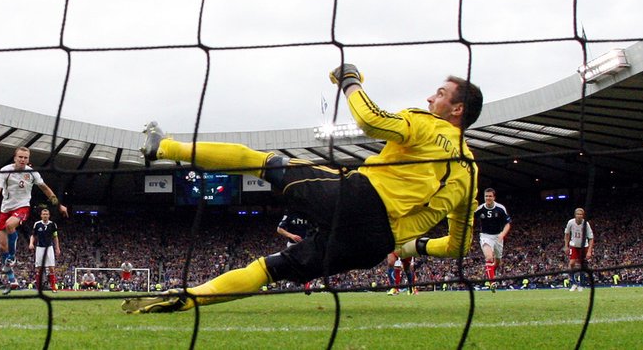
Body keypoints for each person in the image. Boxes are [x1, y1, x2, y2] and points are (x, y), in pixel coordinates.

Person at [122, 65, 482, 314]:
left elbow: (371, 121)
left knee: (261, 162)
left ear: (457, 109)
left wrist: (350, 79)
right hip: (374, 245)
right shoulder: (469, 174)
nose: (430, 98)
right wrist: (413, 245)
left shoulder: (425, 124)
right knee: (271, 269)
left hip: (358, 199)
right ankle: (187, 299)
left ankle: (163, 147)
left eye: (439, 94)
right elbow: (458, 246)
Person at [0, 146, 68, 293]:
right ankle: (12, 280)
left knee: (9, 225)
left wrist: (59, 205)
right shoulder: (5, 171)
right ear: (15, 158)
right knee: (2, 246)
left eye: (25, 158)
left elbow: (45, 188)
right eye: (20, 157)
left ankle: (12, 258)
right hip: (5, 209)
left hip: (22, 207)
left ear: (28, 159)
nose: (23, 160)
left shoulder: (32, 173)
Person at [473, 188, 511, 288]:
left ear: (494, 197)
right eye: (486, 196)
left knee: (497, 261)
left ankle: (491, 270)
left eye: (490, 196)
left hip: (498, 236)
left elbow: (508, 224)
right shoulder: (480, 209)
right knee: (489, 257)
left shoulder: (500, 208)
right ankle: (492, 282)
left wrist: (502, 234)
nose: (488, 198)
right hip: (485, 236)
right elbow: (470, 219)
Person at [29, 206, 60, 292]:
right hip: (39, 248)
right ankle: (39, 288)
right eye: (44, 214)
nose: (45, 215)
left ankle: (53, 287)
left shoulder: (53, 224)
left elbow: (55, 237)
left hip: (49, 248)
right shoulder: (37, 224)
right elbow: (33, 235)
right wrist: (31, 243)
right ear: (41, 215)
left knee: (51, 267)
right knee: (39, 268)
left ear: (49, 215)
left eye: (46, 214)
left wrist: (57, 248)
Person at [564, 207, 594, 291]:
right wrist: (566, 246)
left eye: (581, 214)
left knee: (582, 265)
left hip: (583, 246)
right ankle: (573, 283)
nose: (579, 216)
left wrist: (589, 251)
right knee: (572, 263)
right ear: (575, 215)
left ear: (583, 215)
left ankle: (581, 285)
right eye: (578, 214)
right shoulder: (570, 222)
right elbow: (566, 234)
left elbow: (591, 238)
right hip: (573, 245)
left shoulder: (586, 224)